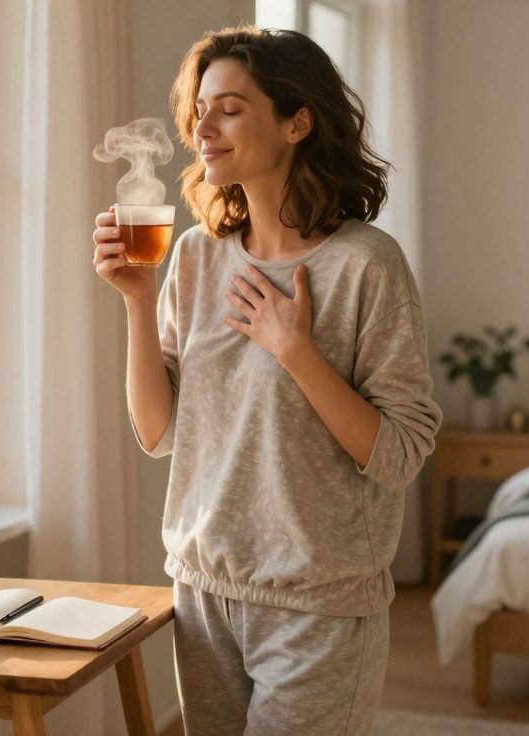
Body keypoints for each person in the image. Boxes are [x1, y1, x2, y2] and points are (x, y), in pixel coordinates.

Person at [91, 25, 441, 736]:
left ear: (296, 121)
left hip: (319, 600)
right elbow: (159, 434)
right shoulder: (194, 257)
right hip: (204, 591)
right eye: (199, 108)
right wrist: (136, 297)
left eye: (229, 107)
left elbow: (401, 453)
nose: (201, 126)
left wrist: (296, 350)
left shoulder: (366, 265)